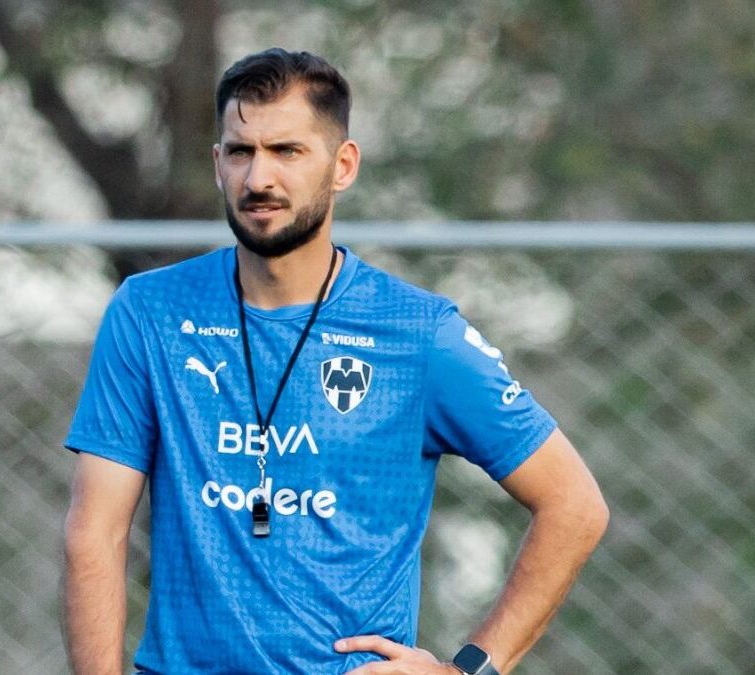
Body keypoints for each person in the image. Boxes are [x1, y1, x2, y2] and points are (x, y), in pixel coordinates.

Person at [62, 48, 608, 675]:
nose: (258, 179)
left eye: (287, 151)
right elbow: (94, 536)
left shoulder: (416, 333)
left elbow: (573, 505)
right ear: (218, 164)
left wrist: (468, 670)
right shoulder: (150, 313)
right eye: (241, 151)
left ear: (342, 164)